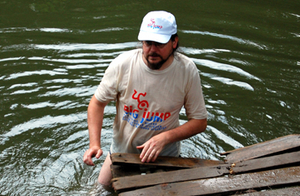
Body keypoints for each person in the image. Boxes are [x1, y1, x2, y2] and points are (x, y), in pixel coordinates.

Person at [83, 10, 208, 186]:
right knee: (98, 195)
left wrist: (164, 138)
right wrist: (94, 144)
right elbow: (97, 103)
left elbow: (200, 121)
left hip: (165, 156)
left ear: (174, 42)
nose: (152, 50)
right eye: (148, 43)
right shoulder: (123, 64)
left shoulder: (187, 70)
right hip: (123, 153)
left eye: (159, 43)